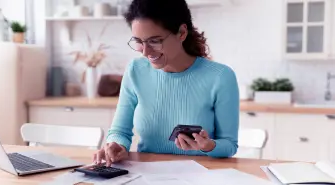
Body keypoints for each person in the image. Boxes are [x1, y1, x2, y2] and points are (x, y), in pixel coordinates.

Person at [92, 0, 239, 166]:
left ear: (182, 33)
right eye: (139, 41)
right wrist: (116, 145)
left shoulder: (220, 76)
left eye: (155, 41)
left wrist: (209, 146)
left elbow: (229, 144)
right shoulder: (135, 70)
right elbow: (120, 131)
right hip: (147, 174)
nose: (146, 52)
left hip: (201, 174)